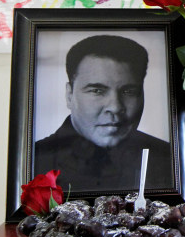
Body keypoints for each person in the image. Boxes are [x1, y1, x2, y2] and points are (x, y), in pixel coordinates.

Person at [34, 34, 173, 192]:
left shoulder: (168, 159)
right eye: (97, 90)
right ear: (69, 95)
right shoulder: (36, 162)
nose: (114, 107)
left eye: (128, 91)